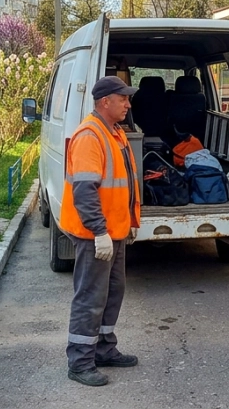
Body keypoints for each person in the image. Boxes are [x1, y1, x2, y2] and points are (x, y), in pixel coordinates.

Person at [61, 75, 142, 386]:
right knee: (91, 297)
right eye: (123, 99)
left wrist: (128, 223)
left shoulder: (115, 132)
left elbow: (121, 186)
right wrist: (99, 232)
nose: (128, 104)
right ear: (105, 102)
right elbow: (85, 191)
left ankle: (104, 349)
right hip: (95, 235)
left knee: (112, 292)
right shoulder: (90, 136)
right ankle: (80, 362)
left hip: (114, 231)